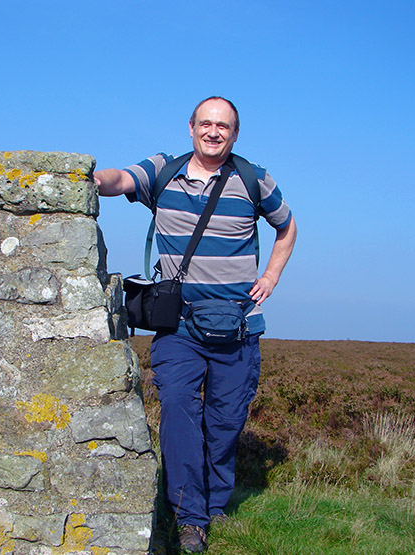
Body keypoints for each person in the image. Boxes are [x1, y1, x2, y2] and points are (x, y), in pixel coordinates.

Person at [94, 97, 297, 553]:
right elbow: (121, 178)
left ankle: (214, 501)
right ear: (191, 128)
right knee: (181, 413)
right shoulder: (164, 171)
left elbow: (288, 228)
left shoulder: (254, 180)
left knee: (225, 422)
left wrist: (271, 277)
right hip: (178, 328)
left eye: (223, 126)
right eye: (206, 123)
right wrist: (88, 179)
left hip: (239, 327)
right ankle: (190, 517)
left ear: (235, 133)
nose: (213, 131)